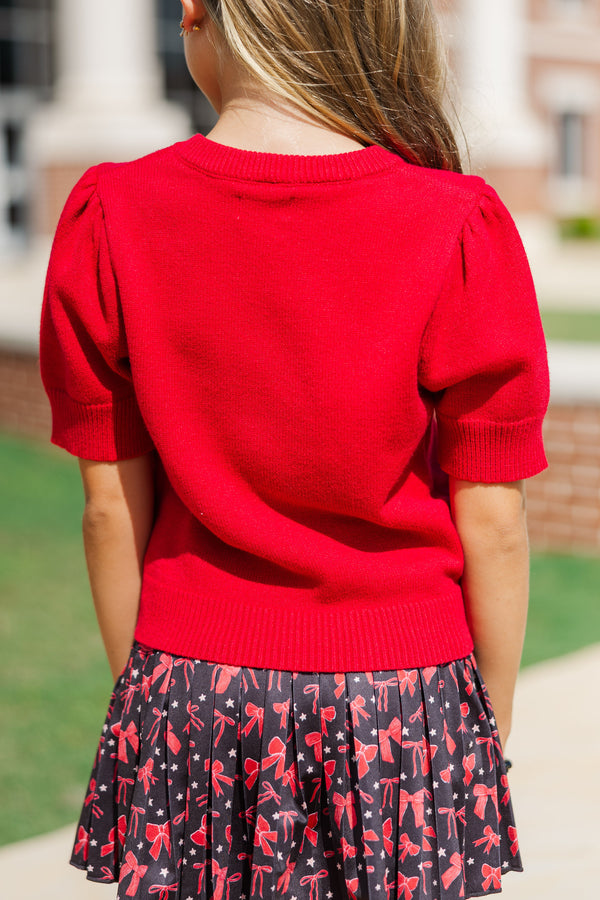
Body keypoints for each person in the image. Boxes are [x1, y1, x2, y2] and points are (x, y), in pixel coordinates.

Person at [39, 1, 550, 898]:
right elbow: (495, 522)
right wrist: (484, 727)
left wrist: (147, 699)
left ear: (194, 14)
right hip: (405, 694)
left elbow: (110, 506)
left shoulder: (110, 213)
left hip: (190, 681)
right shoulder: (457, 220)